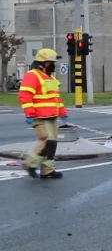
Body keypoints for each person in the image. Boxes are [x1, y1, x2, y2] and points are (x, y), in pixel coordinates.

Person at [18, 48, 68, 179]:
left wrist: (62, 113)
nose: (53, 64)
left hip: (52, 116)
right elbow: (25, 95)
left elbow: (56, 98)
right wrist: (29, 114)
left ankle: (47, 170)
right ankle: (30, 163)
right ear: (43, 62)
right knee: (46, 141)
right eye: (51, 62)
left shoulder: (50, 78)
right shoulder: (32, 75)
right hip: (40, 116)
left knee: (52, 144)